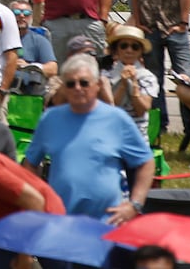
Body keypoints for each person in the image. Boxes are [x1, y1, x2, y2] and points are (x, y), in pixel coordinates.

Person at [23, 53, 153, 223]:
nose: (77, 88)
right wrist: (38, 199)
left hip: (107, 221)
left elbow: (146, 162)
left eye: (84, 83)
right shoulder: (50, 119)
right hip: (60, 219)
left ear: (97, 85)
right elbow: (30, 163)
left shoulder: (117, 119)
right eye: (70, 84)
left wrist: (134, 205)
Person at [102, 24, 158, 132]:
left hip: (137, 133)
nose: (129, 50)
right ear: (116, 49)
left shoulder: (148, 77)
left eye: (135, 47)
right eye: (124, 46)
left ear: (141, 51)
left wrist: (134, 84)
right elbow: (109, 109)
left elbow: (142, 110)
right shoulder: (105, 75)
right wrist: (122, 85)